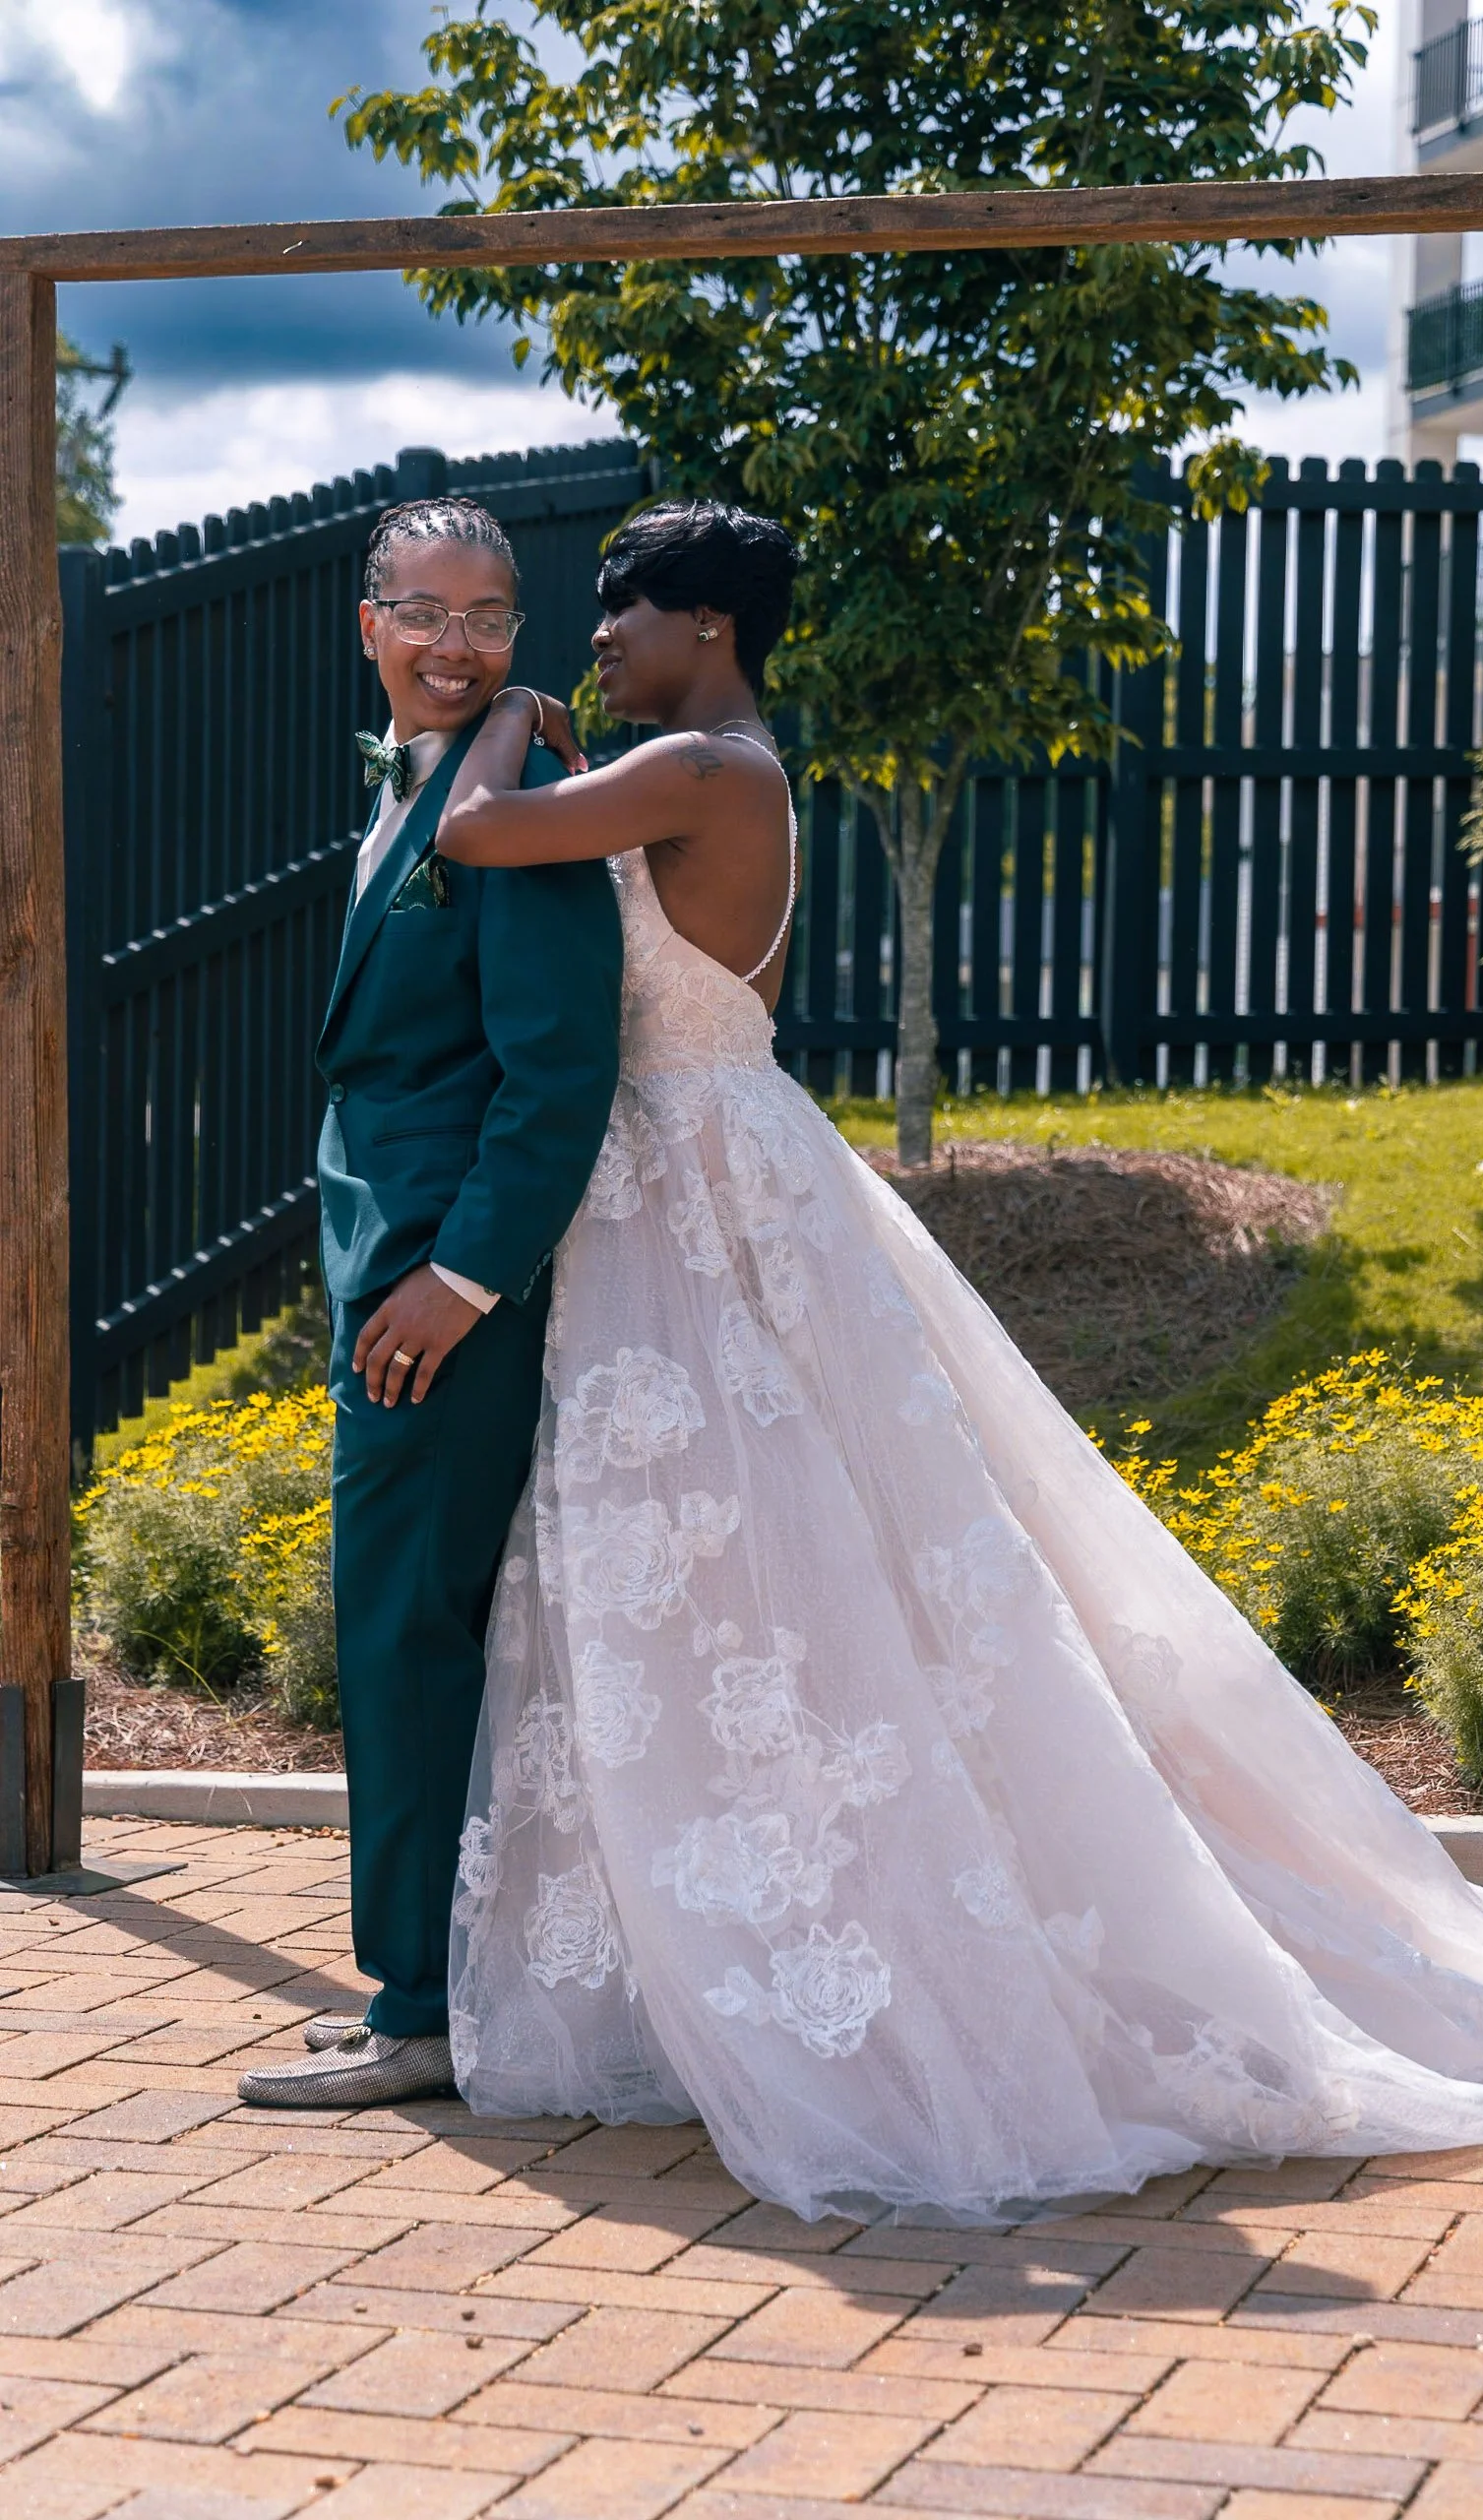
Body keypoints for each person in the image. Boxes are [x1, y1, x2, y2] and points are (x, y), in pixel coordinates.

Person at [441, 497, 1483, 2222]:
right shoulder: (713, 760)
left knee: (775, 1545)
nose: (592, 643)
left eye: (615, 618)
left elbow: (483, 832)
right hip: (689, 1184)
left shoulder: (707, 771)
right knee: (753, 1563)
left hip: (703, 1190)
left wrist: (495, 709)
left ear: (704, 624)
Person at [239, 496, 622, 2110]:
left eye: (488, 620)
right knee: (414, 1635)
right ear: (370, 623)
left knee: (405, 1636)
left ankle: (419, 2012)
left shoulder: (520, 807)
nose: (457, 646)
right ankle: (435, 1984)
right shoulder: (427, 790)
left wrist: (457, 1285)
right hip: (385, 1270)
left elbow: (555, 1081)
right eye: (426, 612)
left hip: (440, 1303)